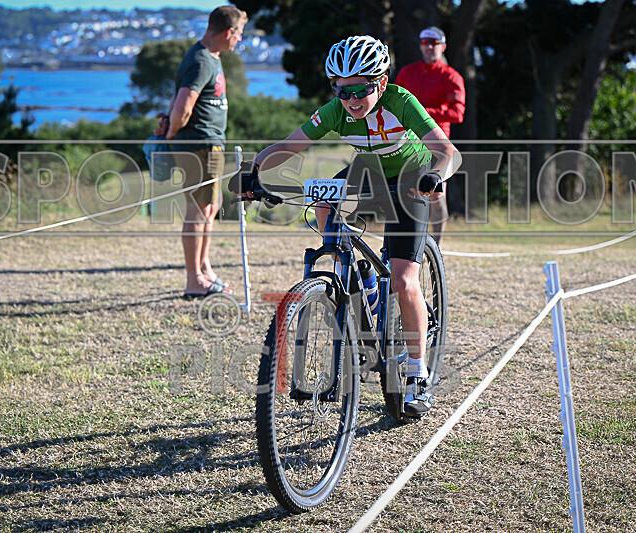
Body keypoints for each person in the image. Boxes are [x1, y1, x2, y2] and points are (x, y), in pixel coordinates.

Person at [240, 36, 461, 416]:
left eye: (361, 88)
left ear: (382, 82)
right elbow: (290, 145)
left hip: (411, 178)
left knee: (405, 278)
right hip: (368, 172)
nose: (351, 99)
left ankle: (418, 373)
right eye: (342, 90)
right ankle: (350, 276)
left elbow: (447, 152)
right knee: (324, 199)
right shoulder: (334, 112)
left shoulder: (402, 103)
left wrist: (436, 175)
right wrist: (254, 169)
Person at [163, 5, 247, 297]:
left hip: (209, 143)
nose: (239, 41)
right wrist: (172, 133)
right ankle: (194, 280)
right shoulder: (200, 59)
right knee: (198, 210)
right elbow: (183, 104)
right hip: (199, 144)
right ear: (228, 32)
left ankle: (204, 269)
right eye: (238, 35)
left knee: (210, 208)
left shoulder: (211, 57)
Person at [395, 26, 466, 243]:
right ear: (420, 45)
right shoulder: (407, 72)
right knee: (403, 192)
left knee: (435, 194)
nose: (429, 47)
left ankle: (437, 246)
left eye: (434, 43)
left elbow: (457, 113)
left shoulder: (451, 76)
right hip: (407, 141)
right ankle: (408, 243)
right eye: (425, 43)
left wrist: (422, 112)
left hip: (436, 141)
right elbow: (394, 104)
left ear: (443, 46)